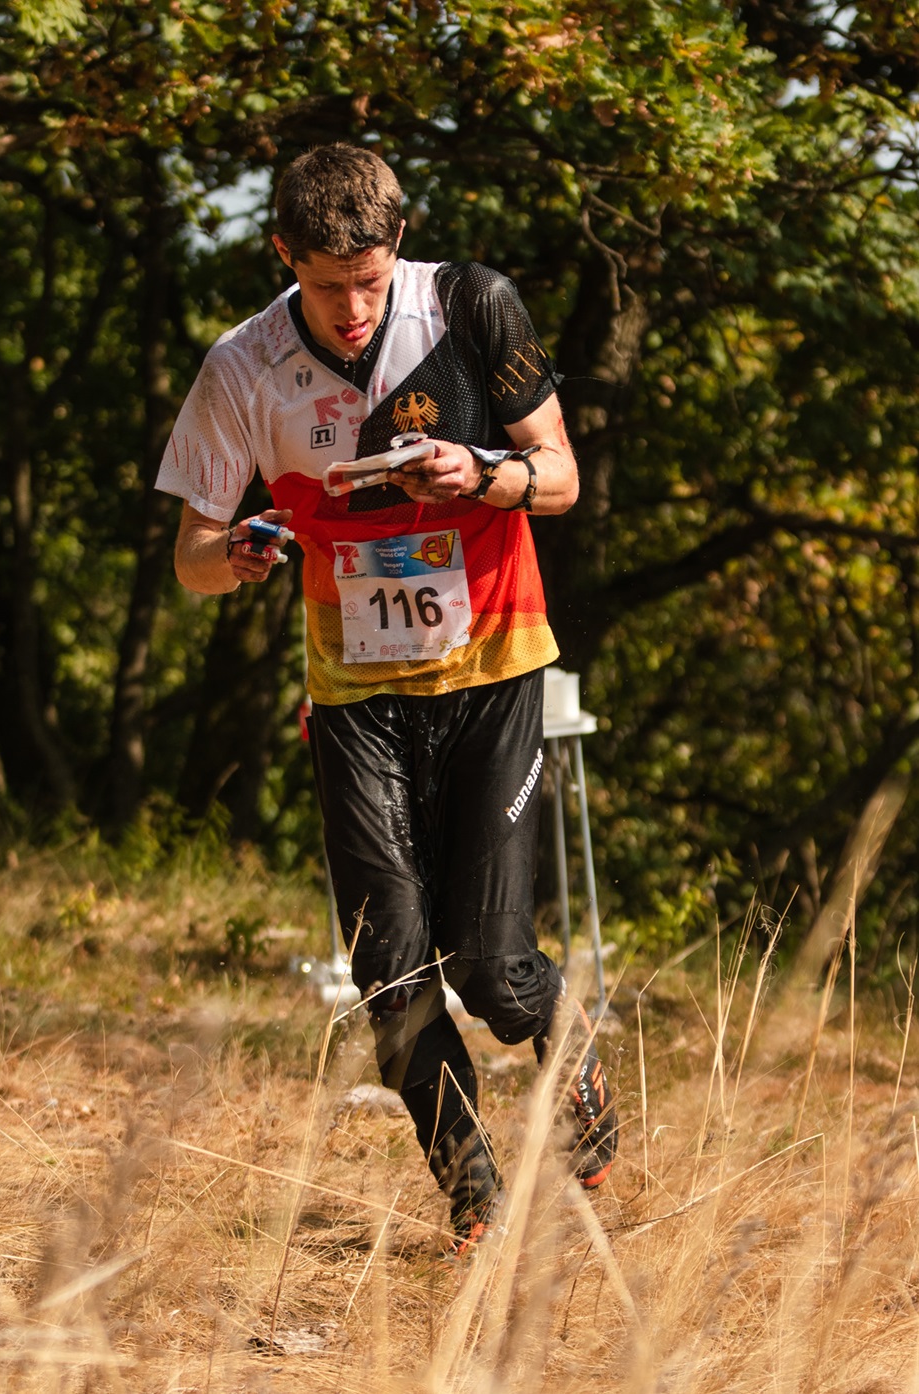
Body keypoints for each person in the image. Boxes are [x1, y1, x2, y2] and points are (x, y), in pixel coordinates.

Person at [156, 142, 618, 1255]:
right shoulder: (243, 367)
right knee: (393, 971)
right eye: (326, 284)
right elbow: (192, 558)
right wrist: (244, 553)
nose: (353, 308)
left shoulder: (471, 305)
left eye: (369, 280)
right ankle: (474, 1198)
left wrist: (484, 471)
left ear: (396, 247)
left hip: (493, 667)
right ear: (283, 257)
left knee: (492, 964)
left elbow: (556, 472)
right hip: (355, 694)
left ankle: (577, 1065)